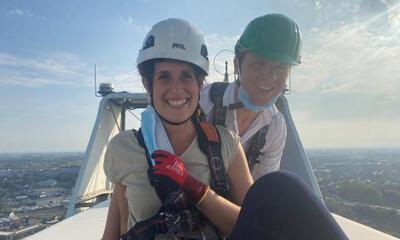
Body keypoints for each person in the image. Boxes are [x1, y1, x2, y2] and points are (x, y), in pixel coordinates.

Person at [102, 18, 253, 240]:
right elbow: (119, 229)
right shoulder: (123, 148)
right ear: (148, 84)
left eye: (186, 76)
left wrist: (193, 187)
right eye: (164, 77)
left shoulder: (225, 144)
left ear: (199, 84)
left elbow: (253, 225)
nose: (177, 89)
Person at [200, 13, 301, 180]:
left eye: (280, 68)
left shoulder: (275, 127)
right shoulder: (205, 101)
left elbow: (262, 188)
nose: (269, 77)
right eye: (259, 64)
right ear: (237, 64)